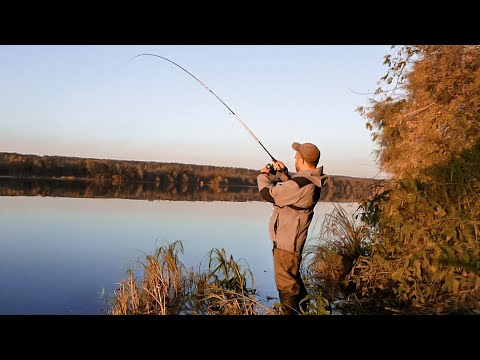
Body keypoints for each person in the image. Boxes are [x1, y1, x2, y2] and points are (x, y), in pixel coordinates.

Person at [257, 142, 327, 315]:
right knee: (292, 278)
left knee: (285, 283)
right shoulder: (311, 179)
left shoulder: (302, 183)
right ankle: (305, 310)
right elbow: (294, 189)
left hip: (288, 240)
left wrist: (263, 175)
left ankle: (291, 312)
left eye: (296, 156)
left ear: (303, 160)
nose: (295, 158)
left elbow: (269, 194)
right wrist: (283, 174)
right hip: (291, 237)